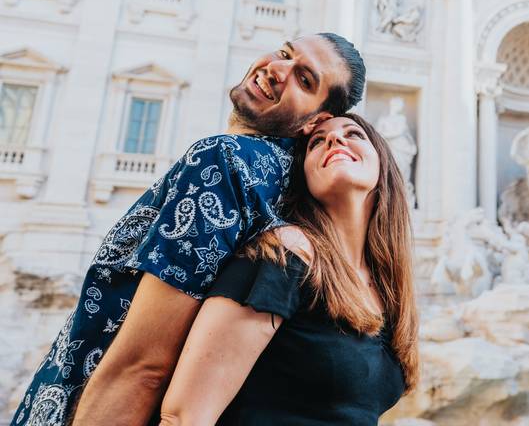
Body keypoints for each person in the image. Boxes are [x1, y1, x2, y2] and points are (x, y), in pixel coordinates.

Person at [12, 33, 366, 426]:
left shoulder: (225, 162)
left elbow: (143, 366)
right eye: (285, 53)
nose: (277, 69)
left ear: (316, 121)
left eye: (305, 79)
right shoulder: (284, 186)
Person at [158, 114, 419, 425]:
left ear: (384, 166)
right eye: (317, 142)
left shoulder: (388, 292)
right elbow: (184, 416)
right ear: (304, 175)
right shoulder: (283, 254)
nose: (335, 140)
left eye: (354, 134)